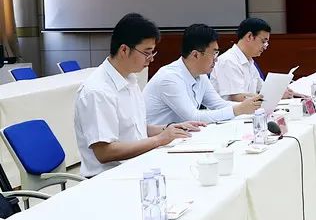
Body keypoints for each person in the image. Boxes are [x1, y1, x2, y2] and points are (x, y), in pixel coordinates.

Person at [73, 13, 199, 178]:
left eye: (152, 53)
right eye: (147, 53)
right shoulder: (97, 91)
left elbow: (134, 129)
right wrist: (159, 139)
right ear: (124, 50)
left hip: (136, 167)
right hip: (109, 179)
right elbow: (104, 152)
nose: (151, 59)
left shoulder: (130, 79)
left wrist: (171, 128)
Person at [144, 24, 263, 125]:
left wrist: (251, 106)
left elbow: (218, 104)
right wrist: (238, 109)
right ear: (195, 55)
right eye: (214, 53)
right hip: (157, 141)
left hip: (180, 136)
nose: (216, 59)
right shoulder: (169, 78)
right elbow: (193, 117)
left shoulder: (201, 75)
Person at [212, 17, 300, 101]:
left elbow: (262, 89)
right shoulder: (228, 61)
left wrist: (282, 90)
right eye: (263, 41)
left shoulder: (249, 62)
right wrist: (276, 94)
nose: (265, 46)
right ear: (249, 36)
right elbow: (237, 97)